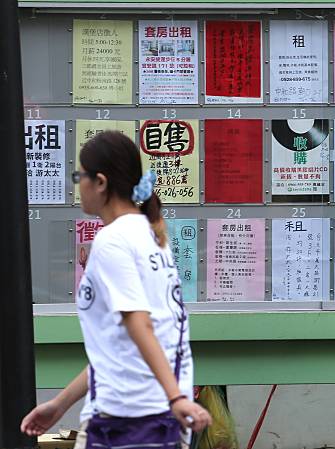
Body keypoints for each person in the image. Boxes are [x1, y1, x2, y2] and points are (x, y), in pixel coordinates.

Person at [21, 131, 212, 447]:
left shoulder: (113, 241)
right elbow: (118, 343)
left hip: (127, 415)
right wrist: (61, 404)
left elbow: (140, 324)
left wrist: (177, 398)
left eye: (79, 175)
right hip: (152, 413)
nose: (77, 184)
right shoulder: (151, 236)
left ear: (100, 182)